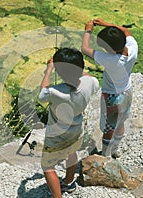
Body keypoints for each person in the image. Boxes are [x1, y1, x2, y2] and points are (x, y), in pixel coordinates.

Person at [39, 47, 99, 198]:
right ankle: (68, 183)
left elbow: (42, 94)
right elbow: (90, 78)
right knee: (72, 153)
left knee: (48, 166)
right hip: (76, 129)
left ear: (59, 72)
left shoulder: (54, 91)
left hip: (56, 134)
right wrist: (78, 70)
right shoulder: (91, 82)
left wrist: (49, 68)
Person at [81, 18, 138, 158]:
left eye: (105, 48)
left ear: (110, 49)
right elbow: (125, 30)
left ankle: (105, 154)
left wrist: (88, 30)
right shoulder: (133, 48)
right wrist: (107, 25)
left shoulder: (111, 60)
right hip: (127, 91)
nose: (104, 51)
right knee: (121, 122)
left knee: (108, 127)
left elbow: (84, 49)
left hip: (112, 97)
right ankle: (115, 149)